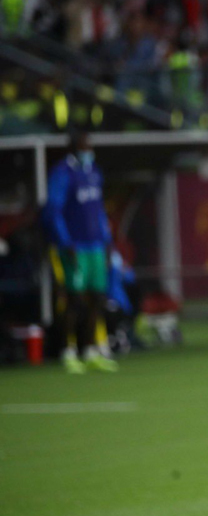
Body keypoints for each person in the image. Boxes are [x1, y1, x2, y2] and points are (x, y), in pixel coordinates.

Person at [42, 132, 118, 374]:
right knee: (74, 299)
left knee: (97, 297)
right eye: (85, 146)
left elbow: (99, 210)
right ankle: (68, 351)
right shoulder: (62, 173)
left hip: (96, 246)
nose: (89, 150)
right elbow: (53, 210)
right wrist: (65, 242)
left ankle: (90, 350)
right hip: (75, 247)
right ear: (74, 148)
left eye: (90, 146)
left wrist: (107, 241)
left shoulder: (94, 171)